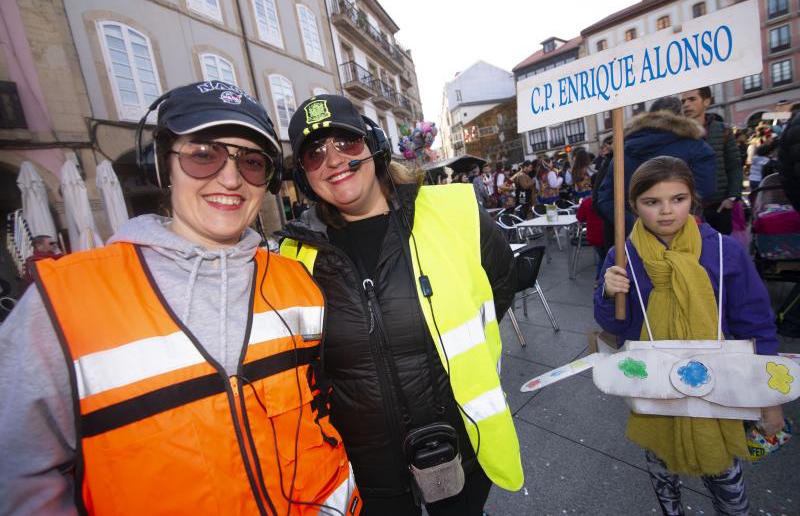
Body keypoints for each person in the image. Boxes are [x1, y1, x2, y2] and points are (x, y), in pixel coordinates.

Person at [0, 81, 359, 515]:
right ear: (161, 167)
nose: (230, 178)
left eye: (251, 162)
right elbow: (17, 473)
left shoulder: (296, 281)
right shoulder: (62, 299)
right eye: (203, 155)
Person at [278, 94, 523, 516]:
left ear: (375, 144)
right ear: (304, 178)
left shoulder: (455, 211)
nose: (333, 160)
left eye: (346, 143)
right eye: (314, 154)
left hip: (461, 445)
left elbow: (501, 285)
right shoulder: (292, 255)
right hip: (366, 471)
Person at [594, 156, 781, 516]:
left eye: (677, 199)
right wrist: (607, 292)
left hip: (719, 388)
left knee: (726, 478)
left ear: (692, 199)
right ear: (634, 205)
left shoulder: (725, 252)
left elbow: (756, 324)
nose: (666, 212)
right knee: (663, 473)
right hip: (655, 389)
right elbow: (615, 327)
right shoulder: (623, 256)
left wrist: (769, 396)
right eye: (652, 202)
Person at [596, 95, 716, 237]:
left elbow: (605, 198)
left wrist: (633, 224)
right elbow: (705, 191)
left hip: (636, 239)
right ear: (681, 117)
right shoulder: (697, 146)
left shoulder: (624, 149)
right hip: (683, 236)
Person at [681, 87, 743, 235]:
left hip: (719, 206)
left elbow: (734, 165)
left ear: (706, 101)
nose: (686, 104)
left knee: (721, 252)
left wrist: (731, 197)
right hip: (689, 207)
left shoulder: (723, 130)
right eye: (683, 101)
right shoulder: (679, 134)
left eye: (692, 99)